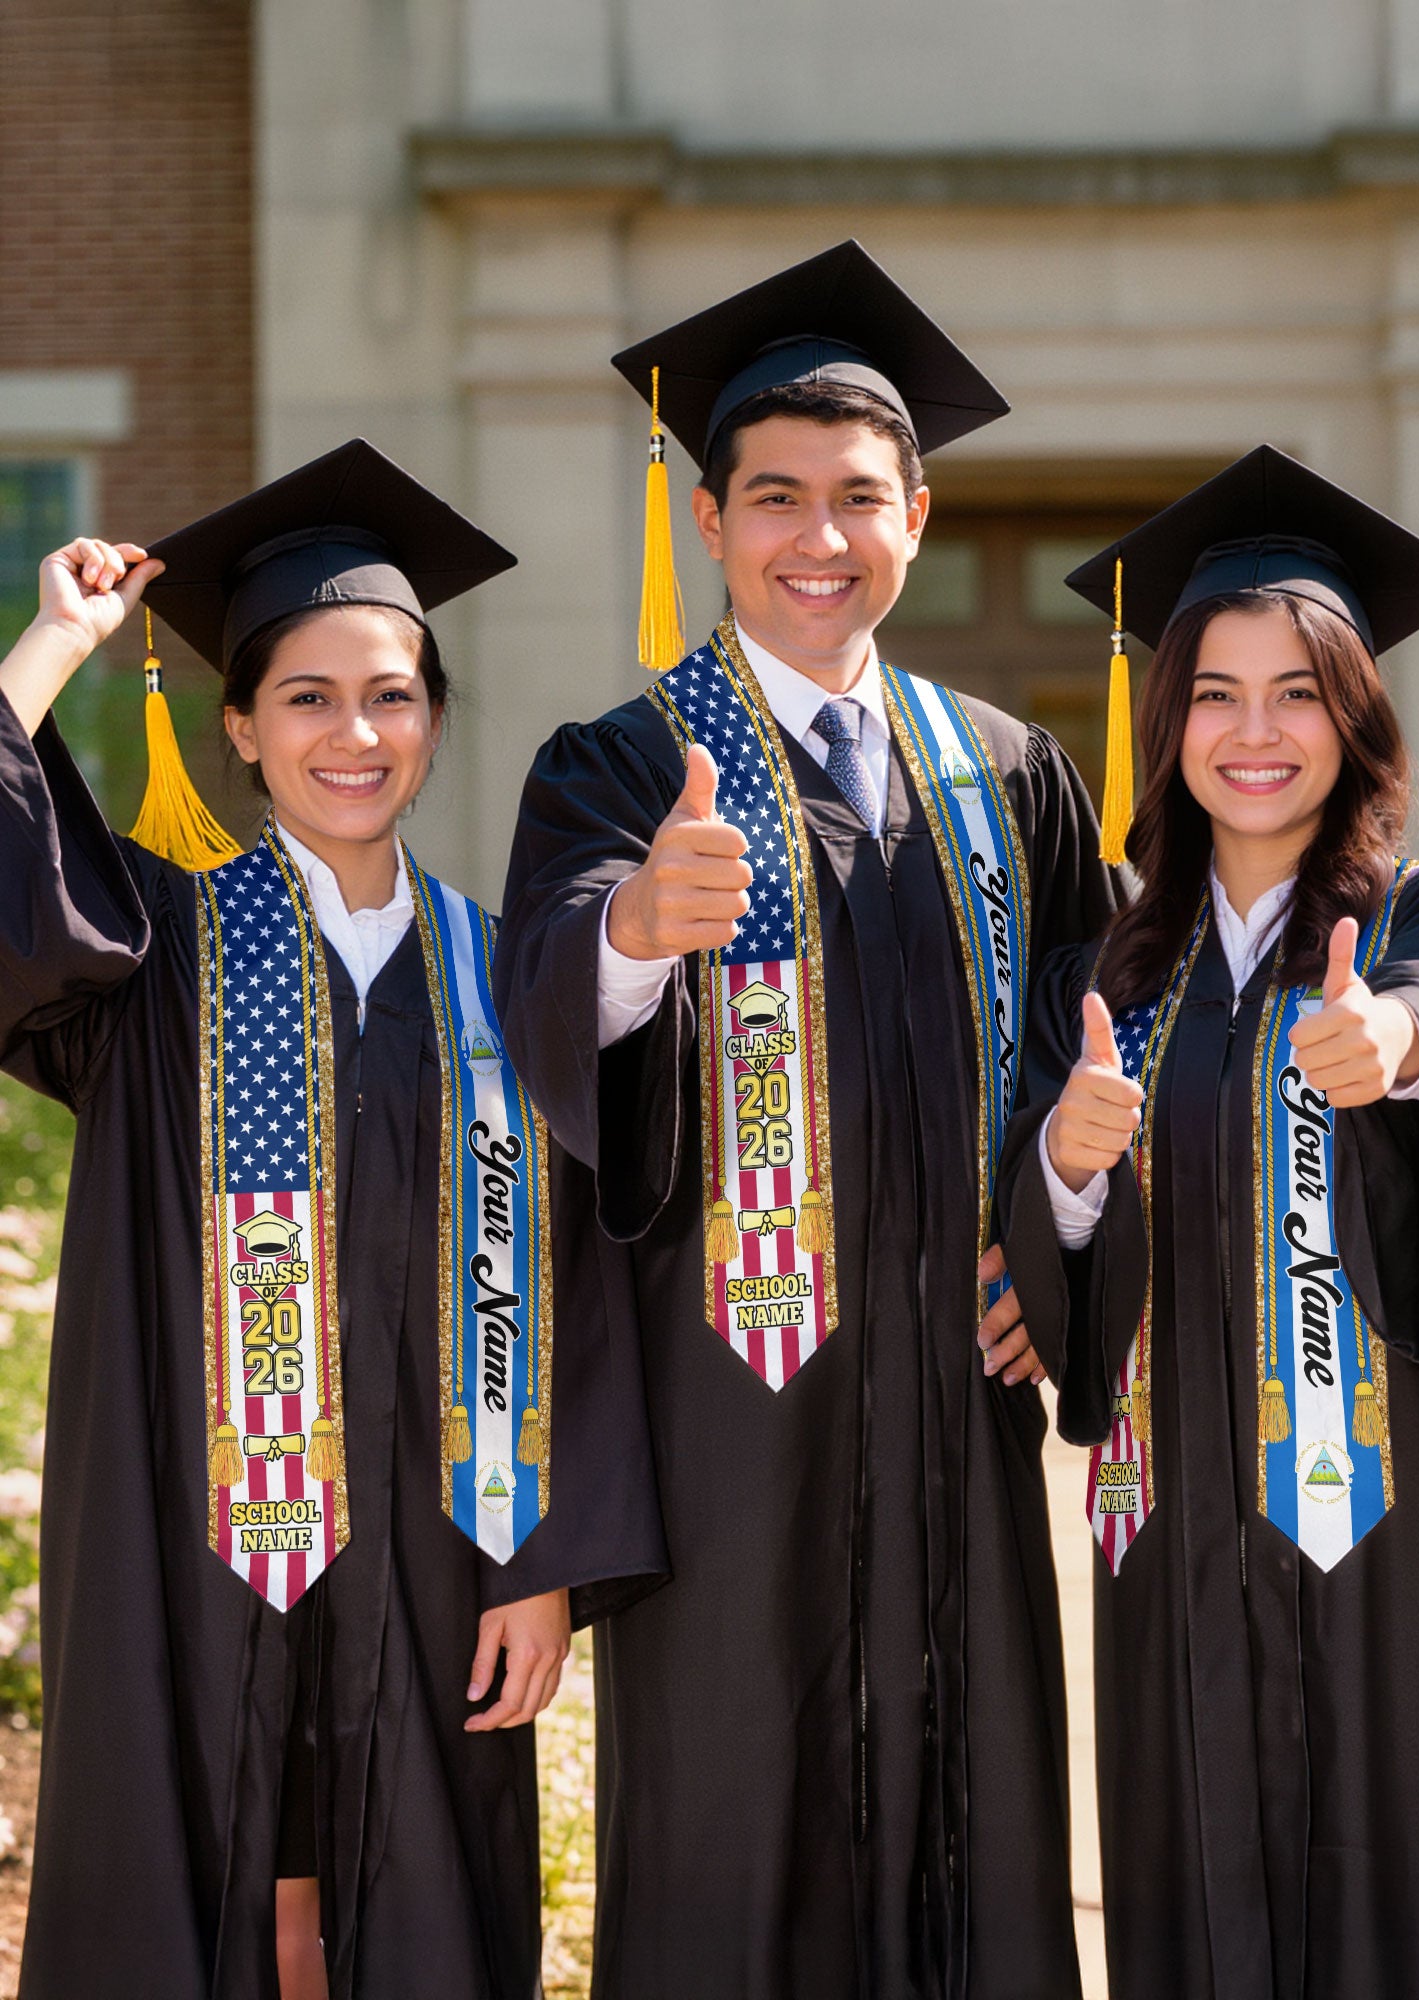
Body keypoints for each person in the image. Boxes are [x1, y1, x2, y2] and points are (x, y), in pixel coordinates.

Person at [495, 241, 1121, 1999]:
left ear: (917, 515)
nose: (818, 538)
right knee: (734, 1842)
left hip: (958, 1409)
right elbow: (546, 1004)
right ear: (710, 521)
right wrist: (630, 933)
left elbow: (1109, 1045)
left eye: (860, 498)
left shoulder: (1010, 770)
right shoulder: (618, 765)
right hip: (730, 1421)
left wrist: (1059, 1247)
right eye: (775, 498)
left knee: (976, 1826)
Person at [0, 440, 663, 2000]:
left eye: (391, 694)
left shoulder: (513, 977)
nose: (352, 733)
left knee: (422, 1899)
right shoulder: (148, 949)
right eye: (305, 696)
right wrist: (53, 647)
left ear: (434, 719)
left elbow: (589, 1278)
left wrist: (546, 1562)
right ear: (238, 726)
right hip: (190, 1532)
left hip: (443, 1551)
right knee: (200, 1869)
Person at [998, 446, 1419, 1998]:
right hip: (1174, 1527)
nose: (1257, 734)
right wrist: (1062, 1158)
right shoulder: (1100, 979)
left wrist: (1397, 1049)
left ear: (1358, 717)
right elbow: (1046, 1244)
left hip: (1404, 1529)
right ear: (1167, 720)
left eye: (1300, 692)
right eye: (1216, 694)